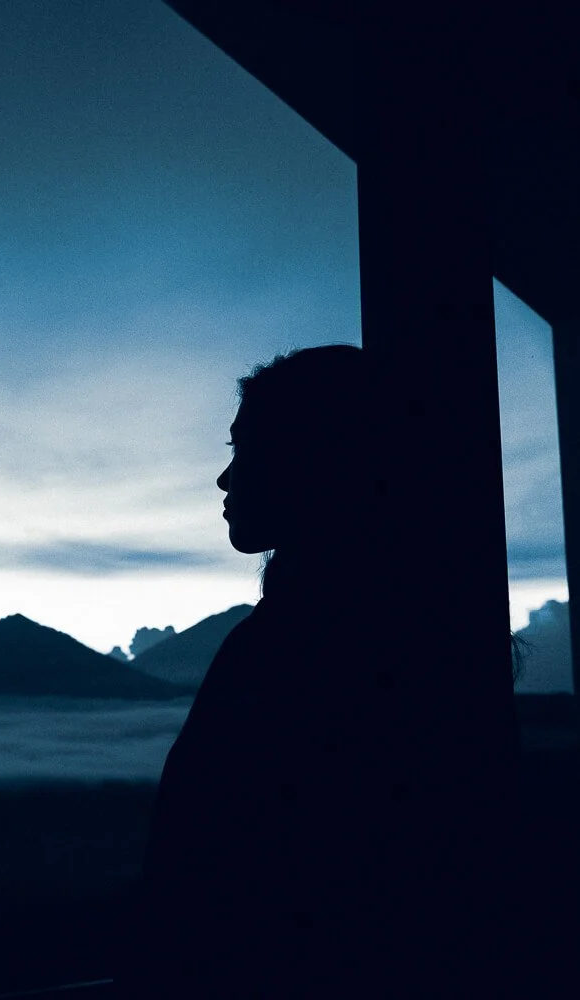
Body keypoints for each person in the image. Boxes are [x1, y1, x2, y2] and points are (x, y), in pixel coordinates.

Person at [118, 344, 525, 998]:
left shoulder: (293, 651)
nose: (226, 479)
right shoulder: (422, 638)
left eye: (246, 449)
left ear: (320, 459)